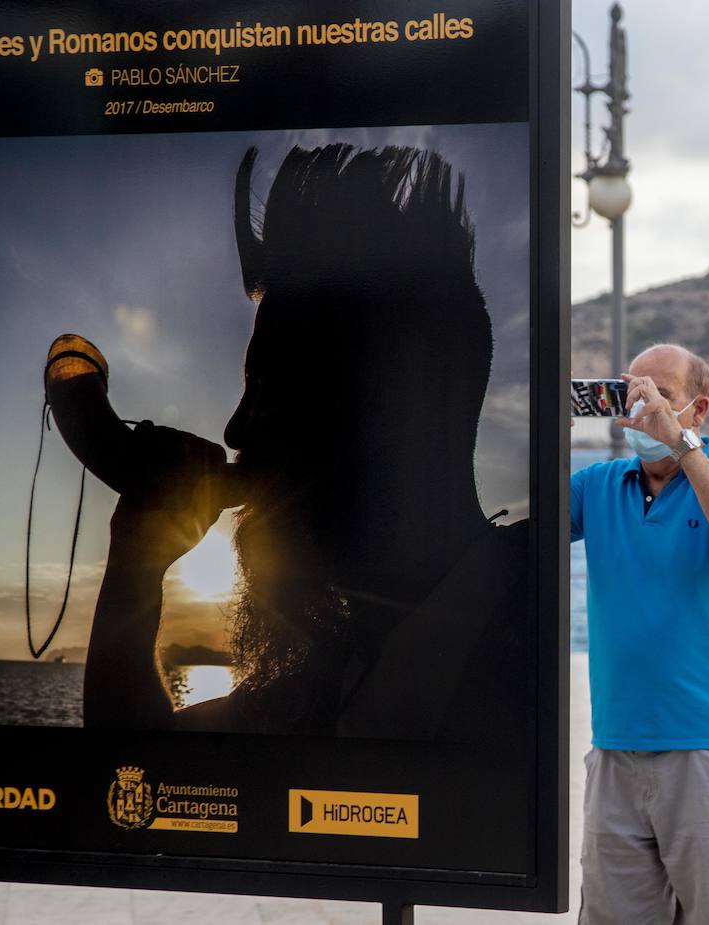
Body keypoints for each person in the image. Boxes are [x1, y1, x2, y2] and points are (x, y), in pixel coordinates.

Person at [83, 143, 529, 748]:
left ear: (391, 411)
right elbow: (144, 774)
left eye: (273, 389)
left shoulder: (534, 620)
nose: (236, 430)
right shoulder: (335, 670)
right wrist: (136, 564)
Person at [570, 344, 709, 925]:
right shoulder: (599, 485)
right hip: (616, 748)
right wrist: (539, 426)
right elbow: (510, 514)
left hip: (708, 750)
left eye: (661, 395)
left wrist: (682, 446)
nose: (644, 407)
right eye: (633, 391)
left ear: (699, 410)